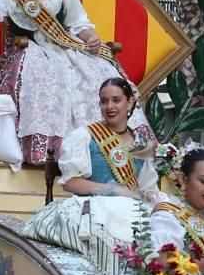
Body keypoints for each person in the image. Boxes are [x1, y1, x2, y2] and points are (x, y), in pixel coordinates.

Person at [0, 0, 152, 164]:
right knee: (44, 80)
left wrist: (92, 39)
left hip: (67, 48)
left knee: (99, 74)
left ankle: (109, 147)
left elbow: (79, 24)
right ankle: (45, 152)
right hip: (30, 52)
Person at [21, 78, 159, 260]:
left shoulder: (142, 144)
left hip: (133, 211)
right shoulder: (85, 136)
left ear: (130, 101)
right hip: (96, 207)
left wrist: (152, 197)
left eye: (116, 100)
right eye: (104, 101)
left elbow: (148, 187)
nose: (109, 106)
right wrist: (113, 190)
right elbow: (70, 183)